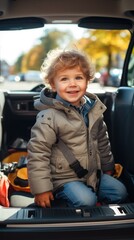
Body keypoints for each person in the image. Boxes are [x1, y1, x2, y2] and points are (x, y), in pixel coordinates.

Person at [27, 48, 128, 208]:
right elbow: (38, 153)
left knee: (120, 192)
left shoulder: (94, 109)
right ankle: (68, 203)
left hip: (92, 174)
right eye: (64, 79)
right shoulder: (49, 116)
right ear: (53, 84)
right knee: (86, 201)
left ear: (87, 81)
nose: (72, 84)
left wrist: (108, 167)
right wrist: (41, 190)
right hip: (62, 178)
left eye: (78, 78)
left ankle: (93, 203)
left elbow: (102, 141)